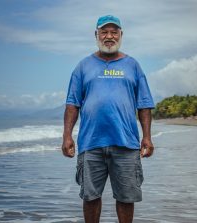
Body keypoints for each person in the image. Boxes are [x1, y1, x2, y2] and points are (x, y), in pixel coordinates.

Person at [61, 15, 155, 223]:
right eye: (104, 32)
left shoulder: (133, 65)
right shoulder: (83, 66)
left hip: (126, 143)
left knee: (126, 197)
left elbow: (145, 104)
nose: (109, 36)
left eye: (114, 32)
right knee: (90, 197)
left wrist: (147, 137)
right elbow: (72, 104)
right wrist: (67, 136)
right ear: (96, 35)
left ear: (121, 35)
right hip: (91, 143)